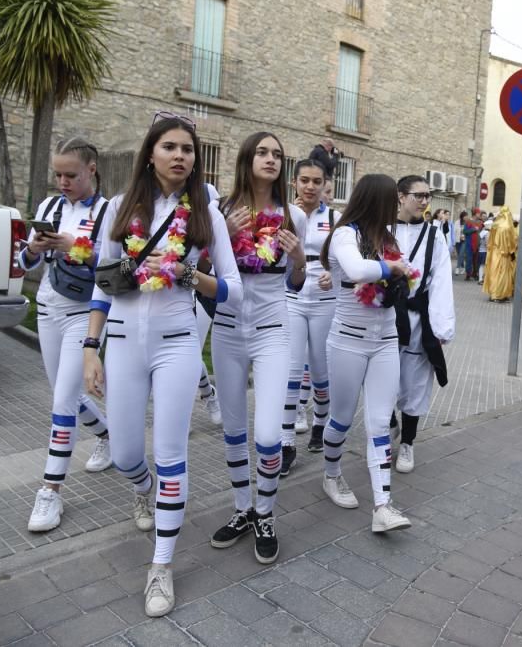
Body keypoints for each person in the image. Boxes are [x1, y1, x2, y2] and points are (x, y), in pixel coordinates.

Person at [83, 112, 241, 617]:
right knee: (129, 454)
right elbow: (101, 282)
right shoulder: (119, 206)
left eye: (188, 149)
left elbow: (233, 291)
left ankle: (161, 566)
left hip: (177, 343)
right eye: (170, 147)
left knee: (172, 453)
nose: (180, 156)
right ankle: (143, 489)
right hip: (125, 343)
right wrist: (91, 347)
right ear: (150, 153)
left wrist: (187, 271)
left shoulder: (206, 214)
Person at [208, 132, 307, 564]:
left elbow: (296, 284)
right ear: (247, 158)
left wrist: (300, 258)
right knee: (233, 431)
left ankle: (265, 513)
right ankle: (242, 509)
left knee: (268, 436)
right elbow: (200, 272)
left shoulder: (293, 216)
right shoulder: (220, 212)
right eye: (263, 153)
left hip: (272, 330)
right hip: (228, 330)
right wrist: (223, 237)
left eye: (278, 155)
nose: (271, 160)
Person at [22, 137, 112, 533]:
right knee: (68, 395)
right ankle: (108, 436)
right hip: (47, 306)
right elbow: (23, 260)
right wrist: (38, 248)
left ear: (91, 169)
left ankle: (50, 491)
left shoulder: (109, 211)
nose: (62, 181)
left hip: (84, 312)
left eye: (70, 175)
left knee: (60, 402)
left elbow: (114, 268)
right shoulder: (49, 206)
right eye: (58, 174)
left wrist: (76, 246)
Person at [319, 174, 413, 532]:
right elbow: (358, 270)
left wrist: (400, 274)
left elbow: (401, 280)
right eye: (393, 199)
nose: (397, 206)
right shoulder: (345, 235)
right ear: (378, 201)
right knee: (341, 419)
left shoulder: (387, 239)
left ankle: (383, 505)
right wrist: (393, 268)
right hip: (347, 340)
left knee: (378, 421)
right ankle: (331, 475)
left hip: (386, 340)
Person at [391, 175, 455, 473]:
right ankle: (388, 423)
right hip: (385, 317)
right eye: (419, 195)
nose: (425, 201)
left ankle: (408, 442)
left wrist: (442, 326)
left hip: (418, 319)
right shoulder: (384, 229)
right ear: (401, 197)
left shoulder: (434, 235)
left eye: (428, 195)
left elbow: (442, 281)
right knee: (382, 375)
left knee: (415, 381)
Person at [283, 159, 339, 463]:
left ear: (324, 185)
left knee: (319, 370)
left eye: (316, 181)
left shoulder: (335, 217)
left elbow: (346, 257)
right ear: (294, 183)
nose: (310, 187)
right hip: (290, 298)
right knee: (292, 370)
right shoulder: (282, 215)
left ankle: (319, 423)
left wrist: (336, 273)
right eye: (304, 180)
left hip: (323, 301)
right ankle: (286, 442)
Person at [483, 205, 517, 301]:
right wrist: (512, 252)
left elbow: (490, 240)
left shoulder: (495, 225)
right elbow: (511, 241)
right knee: (502, 274)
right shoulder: (507, 227)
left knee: (494, 273)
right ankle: (499, 295)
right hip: (504, 254)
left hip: (494, 253)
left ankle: (494, 294)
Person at [453, 210, 468, 275]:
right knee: (459, 255)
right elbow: (454, 231)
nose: (466, 217)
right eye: (465, 216)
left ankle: (457, 268)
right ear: (462, 216)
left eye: (467, 216)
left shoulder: (467, 223)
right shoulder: (457, 222)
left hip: (465, 241)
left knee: (461, 254)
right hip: (458, 240)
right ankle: (463, 267)